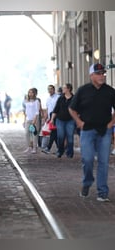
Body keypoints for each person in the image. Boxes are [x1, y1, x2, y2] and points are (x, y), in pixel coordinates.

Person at [69, 63, 115, 202]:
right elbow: (72, 108)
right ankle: (87, 182)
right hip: (87, 130)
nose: (102, 76)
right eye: (99, 73)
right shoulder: (83, 91)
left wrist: (111, 123)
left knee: (103, 162)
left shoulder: (110, 91)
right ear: (91, 76)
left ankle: (102, 192)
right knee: (87, 159)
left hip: (104, 131)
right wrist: (79, 122)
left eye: (103, 73)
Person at [50, 83, 75, 158]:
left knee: (70, 137)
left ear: (68, 89)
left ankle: (70, 152)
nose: (63, 89)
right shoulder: (60, 98)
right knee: (60, 136)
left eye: (64, 88)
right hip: (60, 120)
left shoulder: (74, 98)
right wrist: (52, 119)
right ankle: (60, 151)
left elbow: (77, 109)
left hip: (70, 120)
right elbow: (56, 109)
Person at [42, 85, 60, 154]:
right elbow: (47, 109)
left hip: (56, 116)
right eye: (48, 89)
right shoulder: (48, 99)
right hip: (50, 116)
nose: (50, 90)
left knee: (53, 132)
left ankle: (48, 148)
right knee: (54, 133)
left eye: (51, 89)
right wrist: (46, 118)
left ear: (54, 89)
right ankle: (59, 148)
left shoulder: (58, 97)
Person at [23, 88, 40, 154]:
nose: (30, 94)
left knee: (34, 134)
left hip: (34, 120)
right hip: (28, 119)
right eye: (29, 92)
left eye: (31, 92)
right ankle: (29, 147)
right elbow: (26, 111)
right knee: (26, 133)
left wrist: (34, 120)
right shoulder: (27, 101)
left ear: (35, 93)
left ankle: (34, 148)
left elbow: (37, 112)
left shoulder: (37, 101)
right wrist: (24, 120)